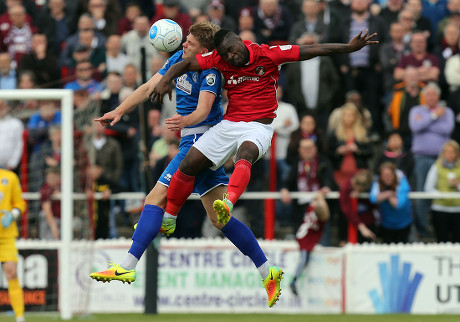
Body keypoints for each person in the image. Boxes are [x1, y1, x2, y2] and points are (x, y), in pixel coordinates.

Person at [90, 21, 283, 308]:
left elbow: (205, 110)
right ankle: (268, 271)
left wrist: (184, 122)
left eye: (189, 42)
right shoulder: (177, 61)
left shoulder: (211, 72)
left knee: (154, 197)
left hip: (201, 144)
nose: (183, 44)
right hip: (193, 143)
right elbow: (148, 87)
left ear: (205, 49)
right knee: (220, 220)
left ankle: (127, 265)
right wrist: (119, 110)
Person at [289, 191, 330, 296]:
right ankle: (293, 280)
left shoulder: (312, 208)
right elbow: (321, 203)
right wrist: (322, 196)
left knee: (304, 260)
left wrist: (321, 194)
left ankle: (294, 280)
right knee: (303, 260)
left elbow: (318, 198)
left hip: (305, 236)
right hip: (305, 238)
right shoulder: (320, 217)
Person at [0, 168, 26, 322]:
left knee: (12, 272)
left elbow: (20, 203)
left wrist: (12, 215)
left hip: (6, 235)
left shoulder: (9, 177)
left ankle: (20, 317)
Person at [424, 140, 460, 243]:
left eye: (452, 151)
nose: (450, 154)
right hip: (440, 208)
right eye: (447, 151)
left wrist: (457, 185)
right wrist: (442, 195)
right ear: (443, 153)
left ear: (457, 153)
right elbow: (428, 188)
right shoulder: (436, 167)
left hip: (457, 209)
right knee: (441, 240)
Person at [370, 162, 412, 244]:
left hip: (403, 223)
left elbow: (398, 205)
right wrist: (389, 194)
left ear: (394, 175)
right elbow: (373, 199)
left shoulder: (402, 182)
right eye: (384, 175)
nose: (387, 178)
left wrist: (384, 196)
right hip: (386, 224)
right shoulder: (377, 182)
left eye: (389, 175)